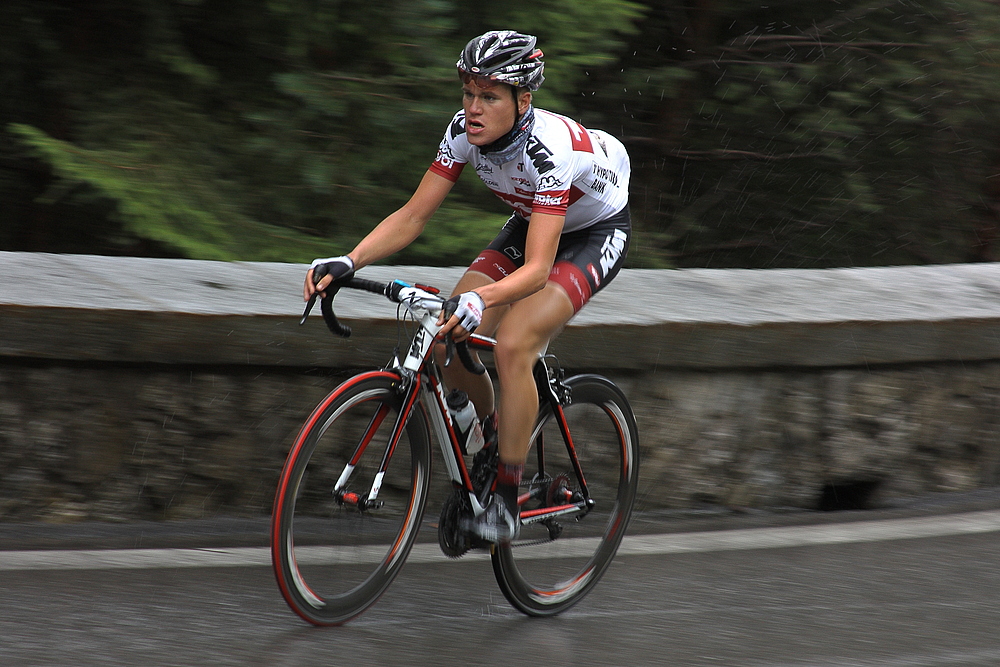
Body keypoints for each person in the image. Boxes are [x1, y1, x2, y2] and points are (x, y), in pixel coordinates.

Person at [304, 30, 631, 543]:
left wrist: (483, 298)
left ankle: (504, 498)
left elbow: (540, 270)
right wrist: (349, 259)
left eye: (489, 96)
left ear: (523, 101)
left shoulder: (548, 150)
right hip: (536, 220)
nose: (472, 108)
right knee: (445, 328)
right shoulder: (462, 132)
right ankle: (489, 440)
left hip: (593, 233)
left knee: (515, 344)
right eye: (468, 92)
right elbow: (413, 217)